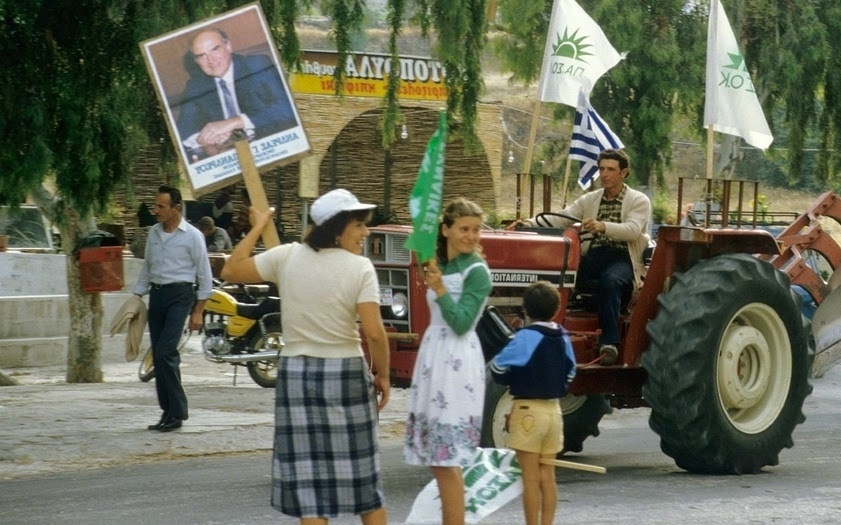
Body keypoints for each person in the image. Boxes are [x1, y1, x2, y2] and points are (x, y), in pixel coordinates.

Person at [220, 189, 390, 525]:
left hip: (297, 374)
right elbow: (374, 332)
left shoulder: (286, 257)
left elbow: (230, 269)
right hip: (346, 373)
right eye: (359, 225)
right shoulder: (360, 268)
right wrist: (383, 375)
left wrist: (258, 226)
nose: (365, 233)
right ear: (337, 228)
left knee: (309, 488)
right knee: (364, 481)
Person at [513, 149, 650, 365]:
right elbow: (563, 217)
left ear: (624, 173)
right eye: (602, 169)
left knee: (611, 281)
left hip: (623, 256)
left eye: (610, 169)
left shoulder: (638, 200)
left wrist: (602, 226)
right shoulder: (591, 199)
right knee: (557, 272)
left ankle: (609, 342)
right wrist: (529, 224)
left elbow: (633, 229)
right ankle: (541, 325)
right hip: (595, 254)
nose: (604, 174)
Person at [404, 198, 493, 525]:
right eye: (463, 229)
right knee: (436, 457)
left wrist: (440, 287)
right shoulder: (439, 263)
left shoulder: (478, 272)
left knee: (448, 458)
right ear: (447, 230)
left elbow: (462, 322)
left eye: (476, 230)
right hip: (435, 357)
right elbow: (417, 243)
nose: (471, 236)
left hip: (457, 360)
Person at [489, 281, 576, 525]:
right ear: (556, 308)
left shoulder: (526, 337)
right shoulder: (563, 336)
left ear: (525, 309)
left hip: (528, 411)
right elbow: (570, 373)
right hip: (553, 412)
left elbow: (498, 367)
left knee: (529, 478)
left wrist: (512, 378)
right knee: (548, 476)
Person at [128, 185, 213, 432]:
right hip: (157, 294)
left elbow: (204, 276)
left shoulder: (193, 236)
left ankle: (177, 411)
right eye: (155, 206)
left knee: (166, 352)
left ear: (176, 208)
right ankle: (167, 411)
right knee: (158, 353)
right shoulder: (154, 233)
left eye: (161, 206)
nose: (155, 211)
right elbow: (147, 269)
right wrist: (136, 297)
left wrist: (198, 311)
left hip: (181, 295)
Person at [176, 28, 298, 161]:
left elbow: (288, 109)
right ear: (196, 61)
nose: (210, 60)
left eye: (215, 49)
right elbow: (183, 131)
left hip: (270, 149)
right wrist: (207, 139)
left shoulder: (256, 65)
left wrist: (234, 122)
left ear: (228, 46)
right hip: (227, 157)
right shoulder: (195, 86)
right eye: (201, 56)